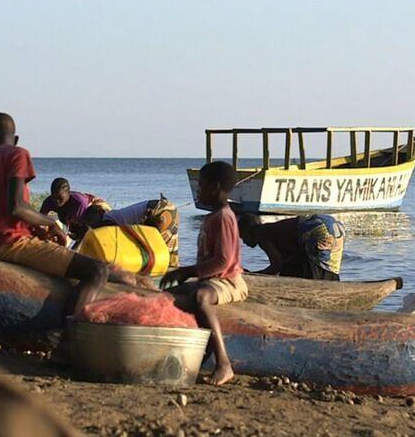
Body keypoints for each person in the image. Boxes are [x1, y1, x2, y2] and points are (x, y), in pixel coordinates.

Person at [0, 112, 134, 316]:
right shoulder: (16, 154)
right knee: (97, 271)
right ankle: (69, 334)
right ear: (16, 139)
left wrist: (36, 229)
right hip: (9, 245)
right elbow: (17, 207)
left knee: (76, 268)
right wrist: (51, 224)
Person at [160, 161, 246, 386]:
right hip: (210, 280)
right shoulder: (213, 216)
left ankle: (224, 363)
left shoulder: (224, 217)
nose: (197, 190)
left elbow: (223, 261)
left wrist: (188, 271)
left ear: (215, 187)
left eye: (202, 185)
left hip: (228, 281)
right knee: (167, 296)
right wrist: (181, 276)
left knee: (200, 297)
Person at [237, 212, 345, 281]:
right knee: (327, 267)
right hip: (333, 225)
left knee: (299, 270)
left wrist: (250, 275)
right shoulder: (272, 229)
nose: (244, 242)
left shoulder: (261, 234)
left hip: (317, 229)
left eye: (243, 237)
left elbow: (276, 267)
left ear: (248, 231)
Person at [83, 194, 181, 269]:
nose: (91, 225)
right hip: (169, 208)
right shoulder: (113, 215)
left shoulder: (106, 222)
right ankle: (173, 269)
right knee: (167, 247)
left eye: (91, 221)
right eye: (89, 223)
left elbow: (118, 246)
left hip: (154, 211)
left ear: (100, 213)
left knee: (149, 250)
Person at [39, 178, 111, 243]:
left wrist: (73, 251)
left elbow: (85, 231)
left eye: (60, 198)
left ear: (68, 193)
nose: (56, 201)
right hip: (75, 217)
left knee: (82, 233)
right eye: (54, 197)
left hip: (98, 211)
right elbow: (39, 220)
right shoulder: (49, 201)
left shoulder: (79, 203)